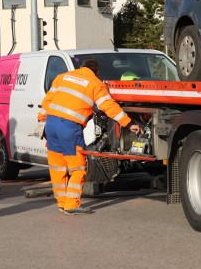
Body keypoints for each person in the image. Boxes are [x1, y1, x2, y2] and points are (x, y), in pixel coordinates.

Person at [37, 58, 142, 215]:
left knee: (58, 166)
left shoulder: (62, 77)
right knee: (78, 167)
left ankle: (62, 202)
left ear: (81, 67)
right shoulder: (95, 83)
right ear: (96, 71)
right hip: (69, 128)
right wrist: (128, 123)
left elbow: (47, 101)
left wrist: (42, 119)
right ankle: (72, 204)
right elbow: (109, 106)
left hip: (51, 125)